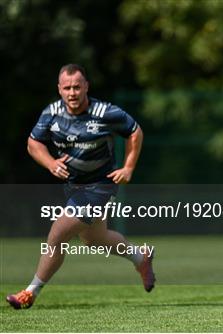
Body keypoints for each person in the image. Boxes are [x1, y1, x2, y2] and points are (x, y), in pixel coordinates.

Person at [6, 64, 155, 309]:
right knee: (94, 239)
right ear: (59, 89)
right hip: (74, 187)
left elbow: (135, 132)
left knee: (57, 234)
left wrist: (128, 167)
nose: (72, 92)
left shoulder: (105, 112)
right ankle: (141, 257)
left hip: (101, 186)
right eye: (67, 88)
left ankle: (30, 293)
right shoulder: (51, 113)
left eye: (77, 86)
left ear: (86, 86)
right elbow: (33, 143)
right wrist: (50, 163)